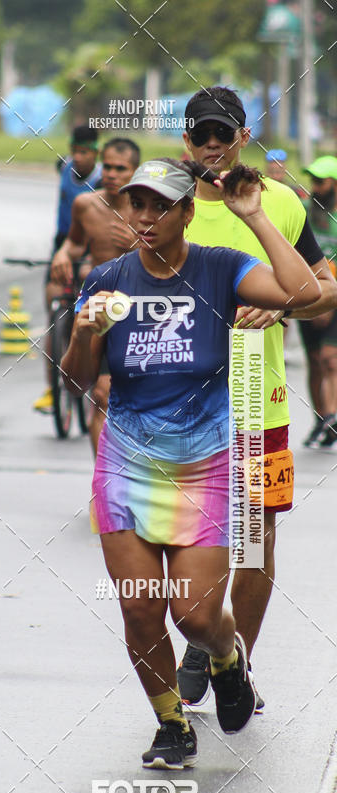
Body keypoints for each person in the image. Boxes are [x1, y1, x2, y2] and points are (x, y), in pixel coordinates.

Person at [61, 157, 320, 768]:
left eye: (160, 205)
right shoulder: (108, 279)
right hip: (127, 459)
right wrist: (82, 334)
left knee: (196, 614)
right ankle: (171, 722)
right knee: (139, 604)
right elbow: (77, 379)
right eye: (137, 204)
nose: (146, 217)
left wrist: (254, 215)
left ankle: (228, 660)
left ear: (186, 212)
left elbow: (306, 293)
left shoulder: (221, 267)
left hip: (206, 461)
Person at [175, 87, 337, 709]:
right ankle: (205, 630)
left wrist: (282, 305)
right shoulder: (166, 202)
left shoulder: (280, 204)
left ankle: (237, 659)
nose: (213, 147)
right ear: (186, 142)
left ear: (243, 137)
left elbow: (325, 286)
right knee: (185, 535)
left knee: (257, 535)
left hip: (256, 398)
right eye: (202, 137)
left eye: (224, 135)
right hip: (177, 403)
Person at [49, 137, 141, 451]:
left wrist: (138, 244)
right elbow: (75, 243)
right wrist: (63, 254)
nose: (113, 175)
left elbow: (172, 257)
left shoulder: (147, 209)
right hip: (97, 305)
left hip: (137, 308)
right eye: (109, 167)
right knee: (100, 394)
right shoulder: (85, 204)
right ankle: (102, 482)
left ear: (134, 172)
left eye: (122, 169)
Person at [33, 124, 102, 413]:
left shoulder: (101, 180)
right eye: (75, 150)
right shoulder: (64, 166)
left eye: (85, 152)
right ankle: (51, 388)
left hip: (89, 246)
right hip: (63, 243)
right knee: (53, 307)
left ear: (95, 153)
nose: (78, 157)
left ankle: (94, 373)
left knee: (88, 304)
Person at [298, 156, 337, 447]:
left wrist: (329, 303)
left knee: (329, 358)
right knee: (314, 361)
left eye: (321, 182)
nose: (315, 187)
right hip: (307, 297)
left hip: (334, 298)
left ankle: (333, 414)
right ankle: (320, 419)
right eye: (312, 181)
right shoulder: (303, 212)